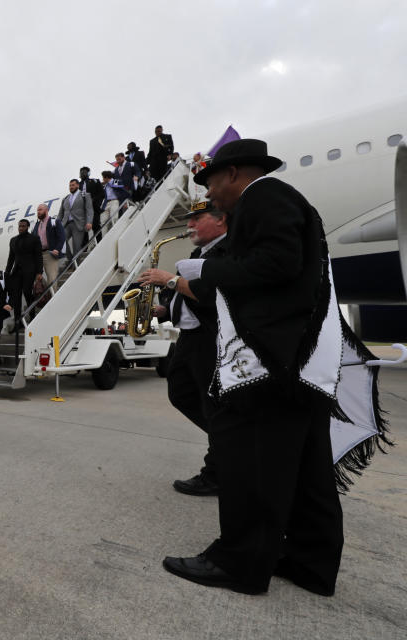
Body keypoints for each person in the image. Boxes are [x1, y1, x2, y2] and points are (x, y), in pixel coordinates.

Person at [162, 138, 345, 597]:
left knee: (251, 461)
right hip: (297, 363)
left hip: (269, 362)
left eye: (211, 183)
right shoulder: (280, 201)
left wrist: (207, 275)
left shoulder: (264, 196)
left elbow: (277, 264)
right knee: (306, 470)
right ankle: (309, 562)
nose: (211, 195)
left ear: (235, 173)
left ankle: (241, 562)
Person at [140, 201, 229, 496]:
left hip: (210, 338)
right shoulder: (198, 253)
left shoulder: (229, 251)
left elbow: (214, 297)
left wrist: (169, 279)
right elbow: (190, 296)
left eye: (197, 218)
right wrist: (165, 310)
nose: (189, 224)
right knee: (180, 393)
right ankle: (231, 444)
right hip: (189, 337)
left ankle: (218, 470)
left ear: (220, 221)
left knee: (213, 405)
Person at [4, 218, 43, 323]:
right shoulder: (13, 240)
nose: (21, 228)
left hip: (29, 271)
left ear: (27, 227)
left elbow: (38, 256)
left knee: (27, 292)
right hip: (16, 272)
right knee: (16, 296)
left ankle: (32, 316)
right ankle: (17, 320)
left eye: (23, 226)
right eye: (19, 226)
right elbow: (11, 258)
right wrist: (7, 273)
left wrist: (39, 272)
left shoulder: (34, 239)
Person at [31, 204, 65, 292]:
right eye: (37, 210)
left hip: (50, 253)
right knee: (36, 277)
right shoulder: (36, 225)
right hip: (38, 255)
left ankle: (52, 297)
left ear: (46, 210)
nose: (38, 212)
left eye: (40, 210)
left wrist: (57, 249)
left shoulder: (54, 221)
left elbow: (62, 237)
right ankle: (46, 293)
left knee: (52, 278)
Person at [58, 178, 91, 261]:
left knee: (76, 245)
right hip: (66, 224)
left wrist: (89, 222)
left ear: (77, 185)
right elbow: (60, 214)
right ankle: (70, 259)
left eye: (73, 185)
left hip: (78, 224)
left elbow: (89, 210)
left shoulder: (85, 195)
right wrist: (58, 225)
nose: (71, 187)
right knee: (61, 240)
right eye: (70, 186)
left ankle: (76, 262)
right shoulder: (65, 199)